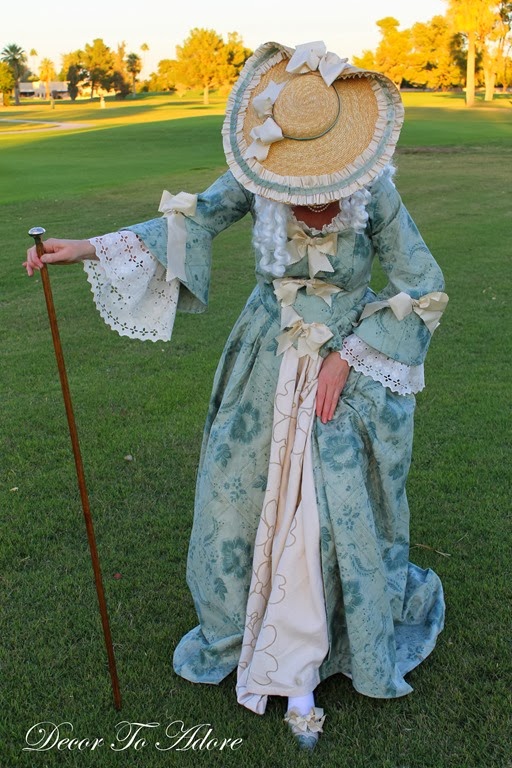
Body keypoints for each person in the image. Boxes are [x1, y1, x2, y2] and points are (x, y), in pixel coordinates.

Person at [25, 41, 448, 750]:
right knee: (237, 496)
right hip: (266, 354)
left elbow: (424, 284)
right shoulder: (258, 176)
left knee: (325, 507)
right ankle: (243, 628)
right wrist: (85, 247)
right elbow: (189, 222)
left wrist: (348, 356)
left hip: (345, 358)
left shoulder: (378, 191)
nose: (312, 194)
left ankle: (306, 655)